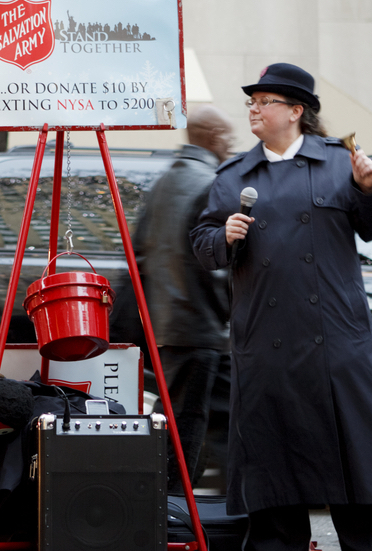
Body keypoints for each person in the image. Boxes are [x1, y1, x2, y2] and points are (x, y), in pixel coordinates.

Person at [190, 63, 372, 551]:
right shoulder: (234, 176)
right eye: (251, 101)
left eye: (265, 101)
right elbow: (202, 245)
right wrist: (222, 237)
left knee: (360, 480)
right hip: (266, 350)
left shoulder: (341, 162)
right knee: (274, 493)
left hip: (337, 348)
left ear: (296, 111)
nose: (254, 108)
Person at [134, 105, 234, 494]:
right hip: (202, 326)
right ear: (211, 136)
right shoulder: (210, 183)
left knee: (185, 417)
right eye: (227, 137)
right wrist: (228, 313)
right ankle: (174, 506)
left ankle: (179, 500)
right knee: (189, 421)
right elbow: (216, 262)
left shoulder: (163, 182)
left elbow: (141, 250)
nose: (230, 144)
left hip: (168, 323)